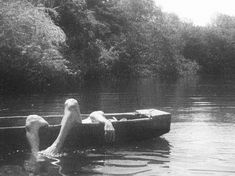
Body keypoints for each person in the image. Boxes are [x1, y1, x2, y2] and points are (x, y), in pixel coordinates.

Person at [25, 98, 115, 158]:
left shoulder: (90, 118)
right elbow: (95, 114)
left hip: (71, 126)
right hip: (67, 127)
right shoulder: (101, 119)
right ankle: (37, 155)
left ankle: (49, 150)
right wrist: (107, 122)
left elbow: (94, 114)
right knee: (31, 119)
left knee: (72, 104)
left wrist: (106, 121)